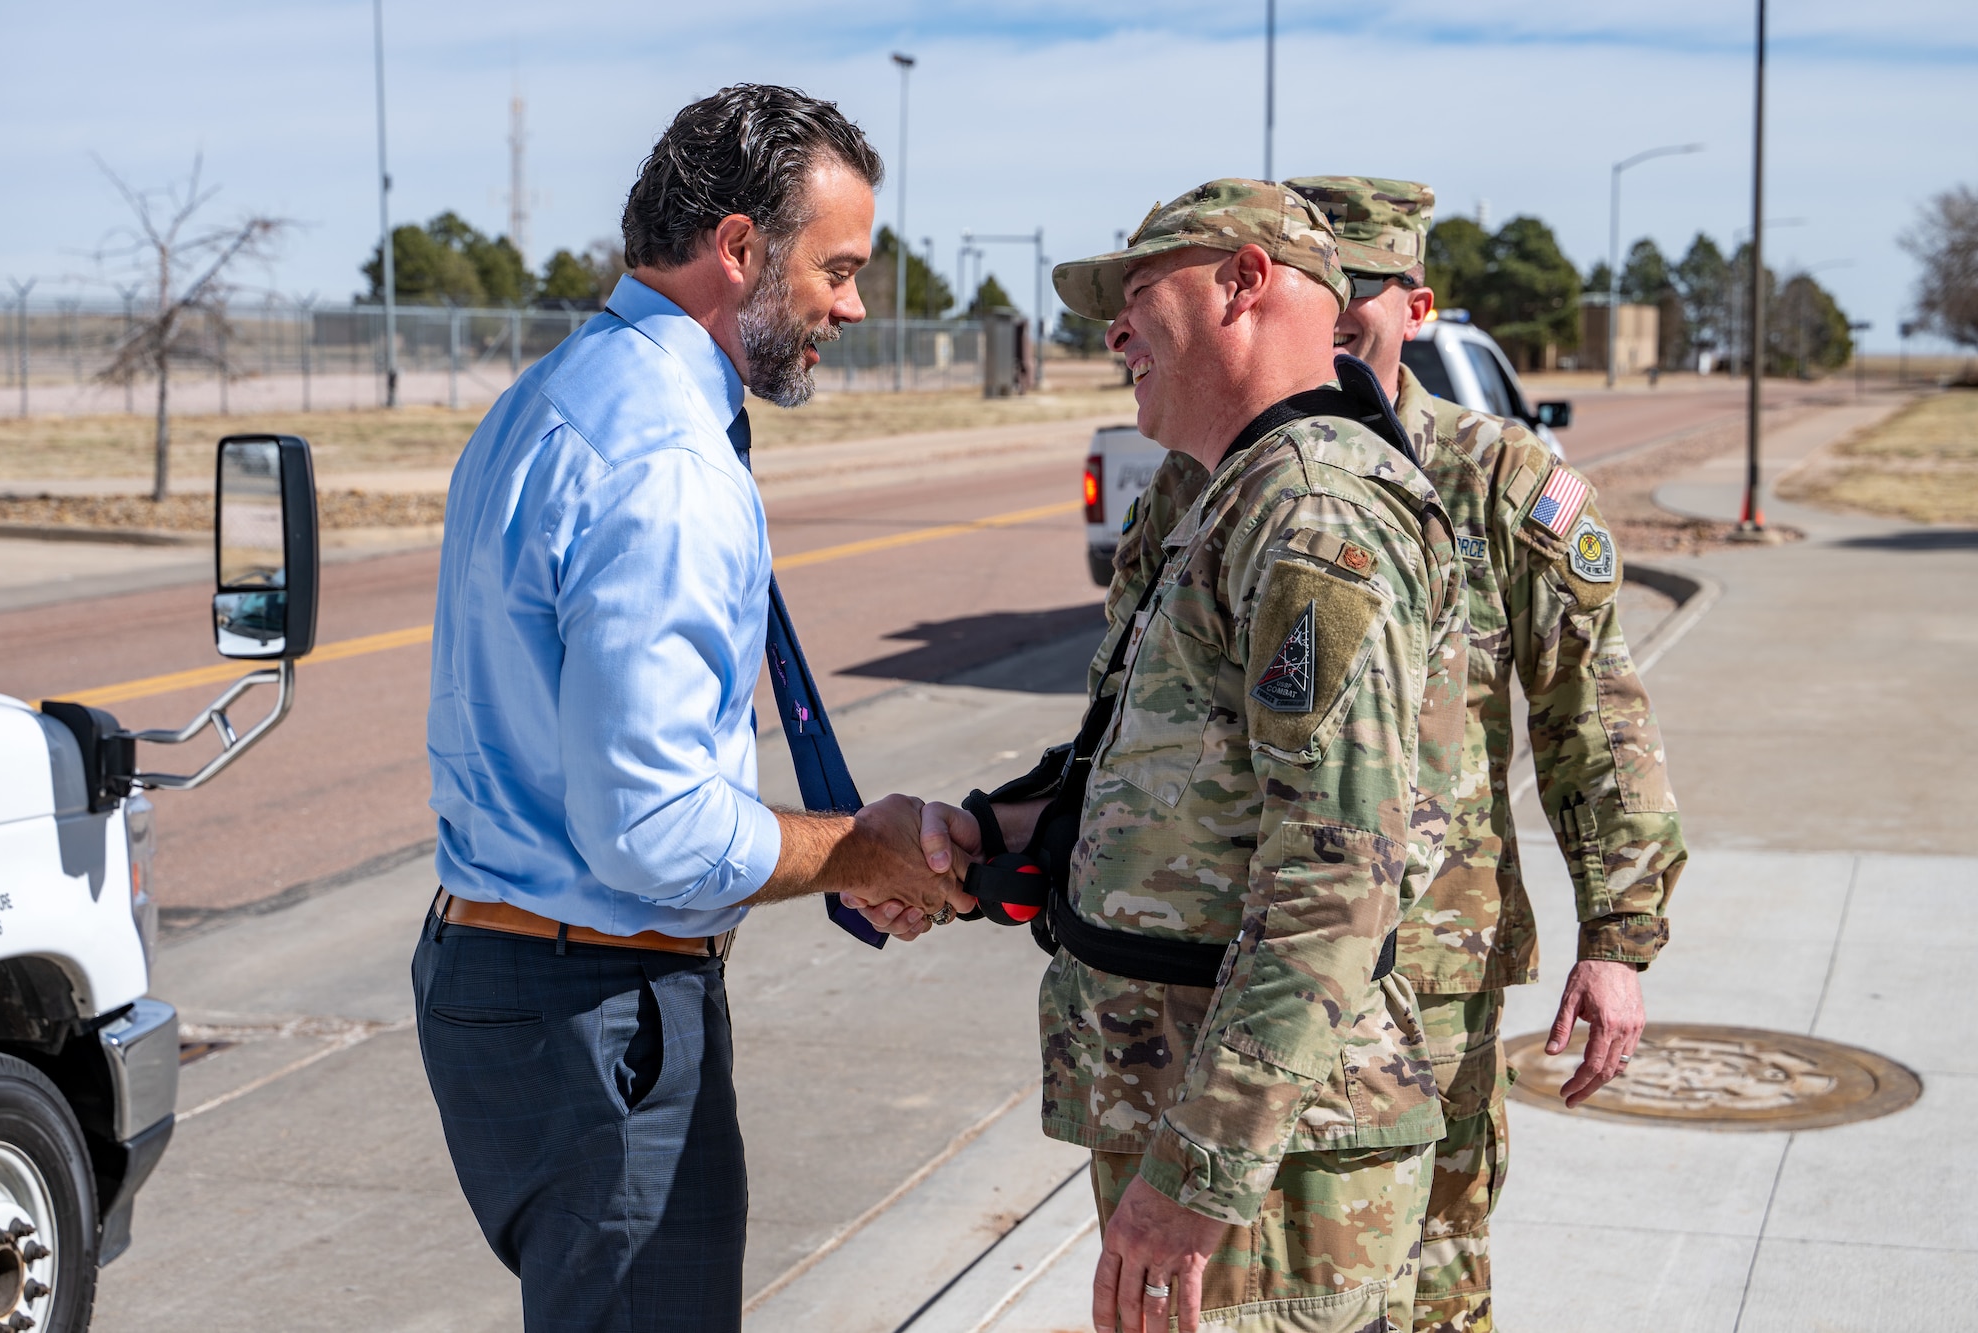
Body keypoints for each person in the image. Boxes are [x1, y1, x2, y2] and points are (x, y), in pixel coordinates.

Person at [413, 85, 968, 1331]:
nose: (853, 306)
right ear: (737, 250)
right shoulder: (665, 460)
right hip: (597, 1018)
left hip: (501, 982)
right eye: (835, 269)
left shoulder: (550, 398)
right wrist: (855, 849)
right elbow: (655, 828)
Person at [880, 179, 1469, 1333]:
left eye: (1137, 292)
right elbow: (1181, 777)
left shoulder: (1313, 513)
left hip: (1275, 1170)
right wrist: (988, 836)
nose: (1111, 331)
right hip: (1217, 1124)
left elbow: (1336, 876)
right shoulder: (1230, 495)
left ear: (1242, 282)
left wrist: (1196, 1178)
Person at [1111, 176, 1688, 1333]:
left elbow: (1594, 713)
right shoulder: (1202, 475)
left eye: (1359, 298)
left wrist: (1618, 936)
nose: (1334, 325)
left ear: (1411, 307)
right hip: (1264, 976)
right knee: (1284, 1293)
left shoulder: (1495, 477)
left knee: (1433, 1274)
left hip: (1433, 965)